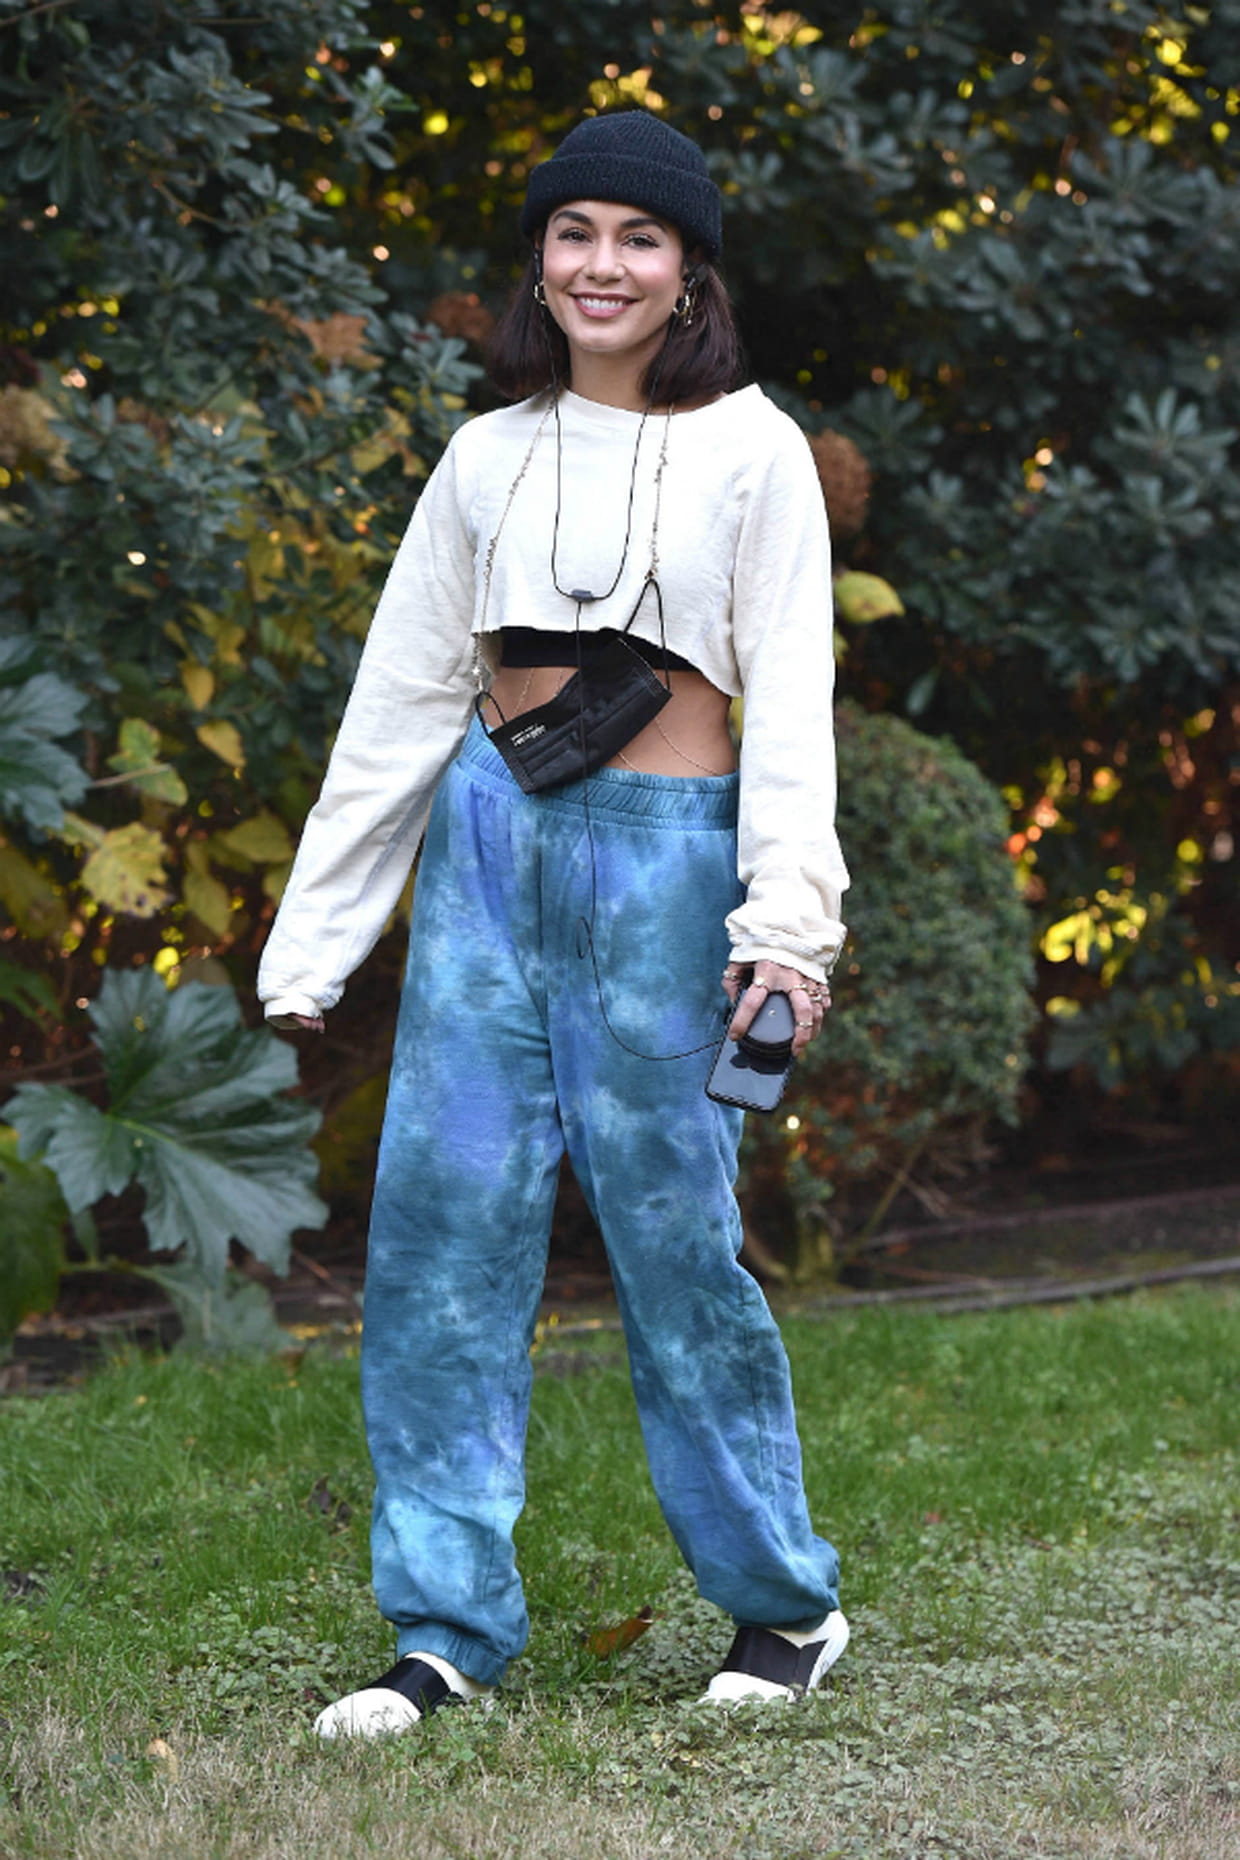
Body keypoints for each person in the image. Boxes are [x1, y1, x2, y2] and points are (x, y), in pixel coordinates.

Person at [258, 110, 851, 1737]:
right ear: (539, 257)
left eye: (639, 238)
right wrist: (317, 939)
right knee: (441, 1240)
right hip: (489, 854)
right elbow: (401, 697)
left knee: (676, 1244)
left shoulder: (757, 451)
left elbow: (793, 713)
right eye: (575, 231)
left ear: (689, 271)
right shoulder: (485, 454)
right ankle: (445, 1627)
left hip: (668, 871)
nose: (603, 265)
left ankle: (783, 1607)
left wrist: (784, 931)